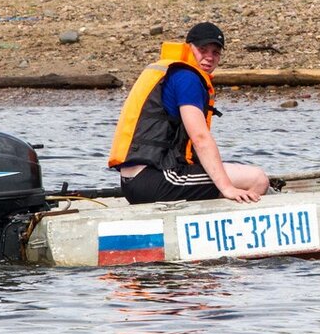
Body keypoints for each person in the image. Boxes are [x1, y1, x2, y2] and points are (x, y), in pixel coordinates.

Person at [108, 22, 269, 204]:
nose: (209, 57)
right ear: (188, 48)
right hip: (155, 179)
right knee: (257, 179)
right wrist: (227, 188)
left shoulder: (172, 73)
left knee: (222, 172)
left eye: (215, 52)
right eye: (203, 49)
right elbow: (200, 138)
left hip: (134, 181)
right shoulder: (188, 79)